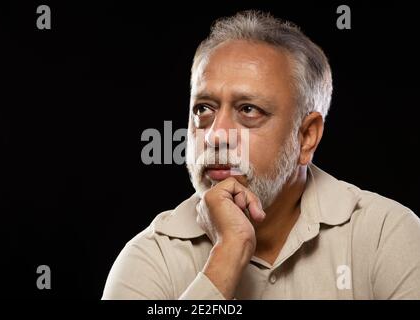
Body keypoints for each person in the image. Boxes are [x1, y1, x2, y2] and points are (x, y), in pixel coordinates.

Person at [102, 10, 420, 299]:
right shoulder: (148, 258)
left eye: (249, 110)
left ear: (307, 136)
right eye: (203, 109)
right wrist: (227, 256)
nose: (216, 136)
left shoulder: (386, 235)